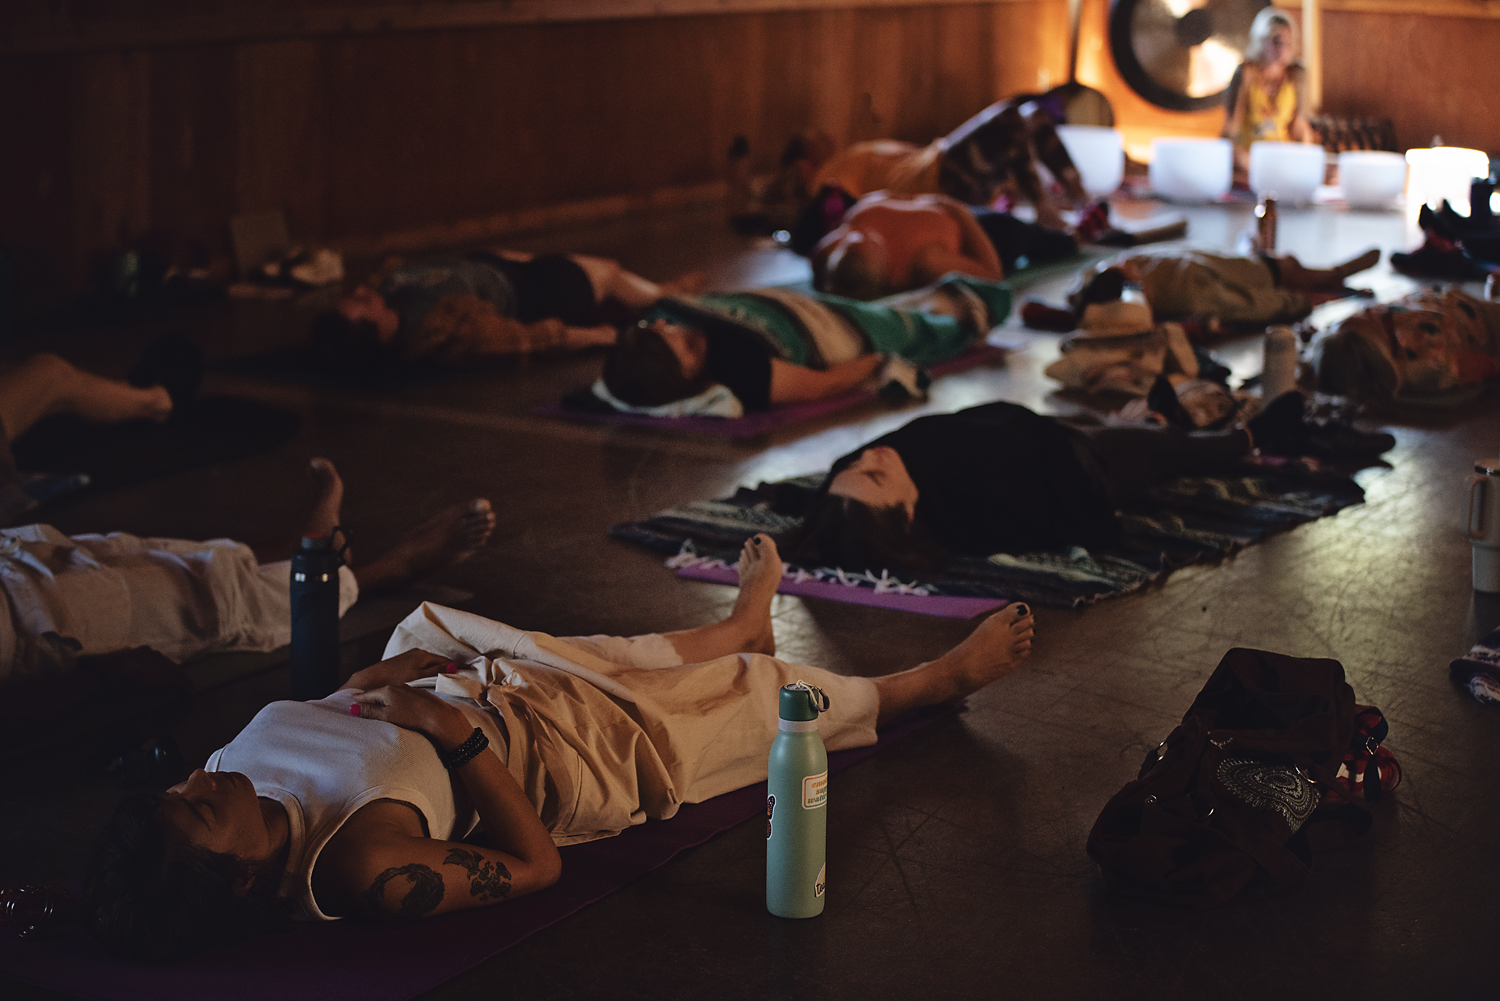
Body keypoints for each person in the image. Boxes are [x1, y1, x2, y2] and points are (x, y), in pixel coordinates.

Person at [83, 535, 1037, 961]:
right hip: (555, 755)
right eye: (203, 805)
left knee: (600, 652)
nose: (204, 777)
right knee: (759, 708)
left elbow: (316, 720)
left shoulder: (220, 787)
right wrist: (454, 738)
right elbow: (533, 867)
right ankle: (927, 684)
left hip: (466, 692)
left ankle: (740, 623)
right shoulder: (362, 869)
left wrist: (374, 685)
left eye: (186, 785)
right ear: (245, 879)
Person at [0, 458, 495, 742]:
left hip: (11, 563)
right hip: (32, 625)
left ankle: (306, 546)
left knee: (144, 556)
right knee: (207, 600)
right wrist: (103, 678)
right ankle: (383, 572)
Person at [779, 397, 1384, 575]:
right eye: (876, 476)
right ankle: (1248, 442)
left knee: (1129, 427)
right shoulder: (970, 507)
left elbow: (824, 512)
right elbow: (1063, 512)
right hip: (1086, 469)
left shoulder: (846, 491)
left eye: (855, 467)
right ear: (909, 514)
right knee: (1164, 452)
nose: (871, 457)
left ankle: (1198, 431)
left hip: (1054, 431)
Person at [597, 274, 1011, 413]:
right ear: (688, 370)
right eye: (681, 343)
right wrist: (878, 362)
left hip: (798, 305)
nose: (669, 325)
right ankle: (970, 311)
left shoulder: (666, 316)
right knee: (922, 329)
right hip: (833, 331)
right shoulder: (741, 371)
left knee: (890, 309)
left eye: (662, 327)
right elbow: (822, 383)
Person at [311, 250, 703, 371]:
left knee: (569, 261)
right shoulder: (445, 330)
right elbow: (531, 339)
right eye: (360, 303)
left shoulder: (388, 295)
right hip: (533, 290)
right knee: (606, 272)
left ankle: (658, 290)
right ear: (378, 332)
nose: (362, 292)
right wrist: (606, 337)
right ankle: (661, 294)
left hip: (493, 265)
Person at [1063, 247, 1382, 331]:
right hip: (1261, 273)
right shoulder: (1184, 289)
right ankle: (1335, 275)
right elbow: (1246, 304)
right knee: (1297, 271)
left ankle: (1334, 274)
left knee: (1284, 263)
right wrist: (1298, 302)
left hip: (1232, 260)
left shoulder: (1110, 271)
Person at [1314, 286, 1500, 404]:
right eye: (1364, 317)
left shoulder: (1379, 325)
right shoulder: (1426, 364)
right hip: (1489, 324)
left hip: (1475, 306)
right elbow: (1485, 366)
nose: (1368, 310)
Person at [1221, 8, 1317, 186]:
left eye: (1287, 44)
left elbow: (1301, 128)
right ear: (1261, 41)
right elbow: (1230, 129)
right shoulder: (1247, 73)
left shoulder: (1295, 76)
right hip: (1248, 161)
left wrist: (1306, 163)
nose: (1281, 49)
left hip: (1282, 163)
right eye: (1276, 42)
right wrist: (1242, 158)